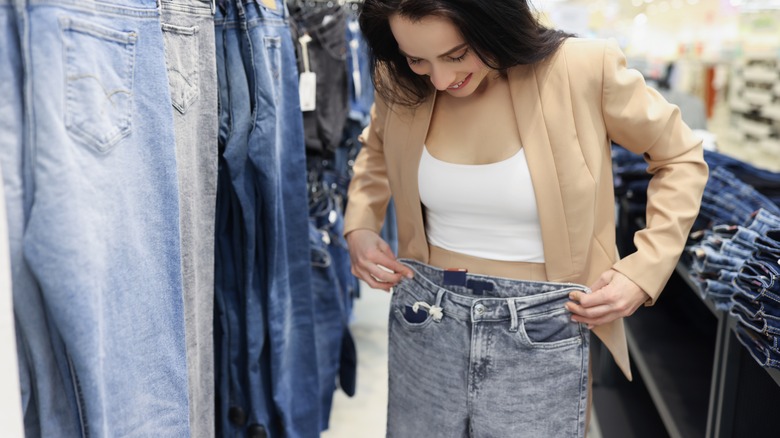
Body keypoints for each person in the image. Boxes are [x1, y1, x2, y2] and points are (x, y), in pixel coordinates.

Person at [343, 0, 709, 436]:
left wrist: (645, 268)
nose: (440, 78)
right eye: (417, 58)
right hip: (427, 318)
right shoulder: (398, 79)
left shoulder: (582, 68)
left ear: (492, 21)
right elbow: (377, 150)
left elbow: (680, 156)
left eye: (456, 54)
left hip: (544, 328)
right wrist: (361, 224)